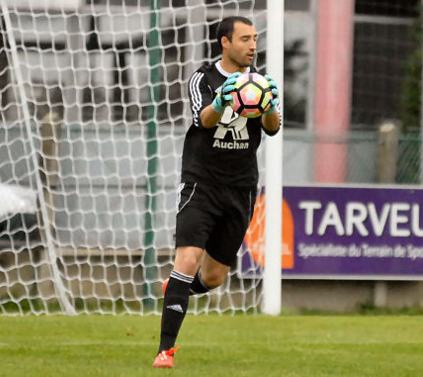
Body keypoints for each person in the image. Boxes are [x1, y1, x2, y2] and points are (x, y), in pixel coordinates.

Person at [153, 16, 281, 369]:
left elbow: (272, 129)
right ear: (225, 42)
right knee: (188, 259)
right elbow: (203, 120)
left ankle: (176, 288)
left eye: (255, 38)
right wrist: (225, 99)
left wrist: (268, 105)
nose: (253, 45)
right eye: (245, 39)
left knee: (212, 277)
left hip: (240, 188)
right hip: (201, 184)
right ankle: (165, 351)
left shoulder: (260, 82)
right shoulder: (203, 79)